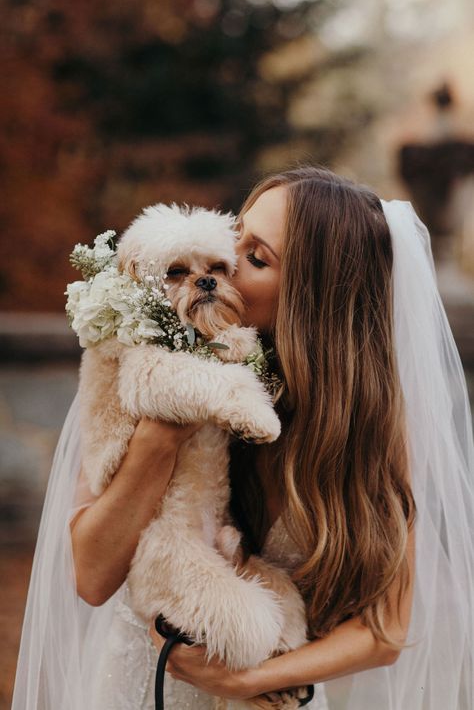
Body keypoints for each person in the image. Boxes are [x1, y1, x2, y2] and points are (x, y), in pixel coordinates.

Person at [11, 166, 474, 710]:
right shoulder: (150, 369)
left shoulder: (369, 425)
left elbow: (385, 632)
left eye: (255, 258)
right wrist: (164, 433)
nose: (223, 265)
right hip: (141, 686)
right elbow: (90, 577)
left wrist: (243, 682)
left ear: (313, 294)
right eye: (237, 237)